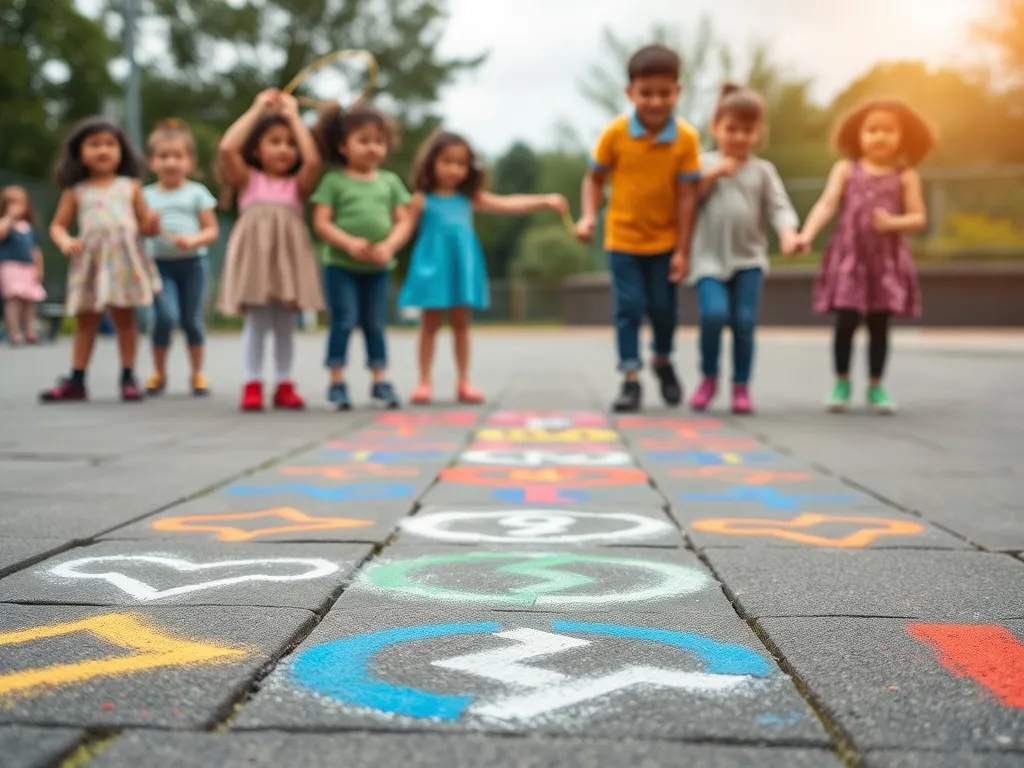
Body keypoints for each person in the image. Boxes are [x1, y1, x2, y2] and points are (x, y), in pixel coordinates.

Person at [396, 131, 568, 405]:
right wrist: (385, 248)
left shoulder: (469, 198)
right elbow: (403, 228)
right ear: (431, 162)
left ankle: (464, 380)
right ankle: (424, 381)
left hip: (462, 266)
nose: (454, 169)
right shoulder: (421, 199)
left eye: (461, 163)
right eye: (447, 161)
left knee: (461, 324)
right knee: (429, 324)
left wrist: (544, 200)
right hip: (432, 267)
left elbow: (508, 203)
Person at [575, 44, 700, 413]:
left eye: (664, 93)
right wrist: (588, 215)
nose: (656, 101)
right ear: (630, 93)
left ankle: (662, 359)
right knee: (628, 308)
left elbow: (687, 196)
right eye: (646, 93)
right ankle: (630, 377)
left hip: (664, 241)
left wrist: (683, 250)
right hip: (623, 239)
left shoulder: (686, 139)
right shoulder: (615, 133)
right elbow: (594, 179)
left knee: (663, 309)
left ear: (677, 91)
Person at [798, 97, 935, 414]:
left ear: (903, 136)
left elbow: (919, 217)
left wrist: (893, 223)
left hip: (885, 262)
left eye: (889, 130)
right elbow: (827, 204)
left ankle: (876, 385)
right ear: (857, 135)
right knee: (846, 320)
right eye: (872, 130)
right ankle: (841, 381)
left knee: (879, 324)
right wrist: (807, 234)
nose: (880, 136)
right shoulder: (846, 170)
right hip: (851, 259)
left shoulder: (906, 176)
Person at [688, 83, 801, 415]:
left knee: (744, 321)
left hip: (748, 259)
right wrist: (713, 176)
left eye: (747, 130)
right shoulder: (701, 164)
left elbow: (779, 207)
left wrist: (788, 234)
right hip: (708, 259)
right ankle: (709, 378)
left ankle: (741, 386)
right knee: (713, 315)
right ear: (716, 128)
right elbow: (686, 203)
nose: (739, 137)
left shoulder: (763, 171)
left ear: (758, 133)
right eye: (731, 129)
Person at [40, 117, 162, 403]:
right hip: (91, 263)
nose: (103, 150)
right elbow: (58, 226)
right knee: (86, 321)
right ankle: (77, 379)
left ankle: (128, 376)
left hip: (123, 263)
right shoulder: (76, 190)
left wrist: (153, 224)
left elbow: (146, 226)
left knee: (125, 319)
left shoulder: (131, 186)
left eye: (110, 144)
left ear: (121, 151)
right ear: (79, 152)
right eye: (94, 144)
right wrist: (65, 240)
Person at [217, 89, 324, 412]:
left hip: (287, 259)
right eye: (274, 141)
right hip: (256, 259)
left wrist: (293, 117)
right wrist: (256, 109)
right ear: (257, 149)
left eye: (290, 143)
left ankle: (284, 383)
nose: (284, 149)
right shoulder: (248, 179)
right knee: (257, 321)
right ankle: (252, 383)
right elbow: (227, 147)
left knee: (285, 324)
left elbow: (313, 160)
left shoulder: (297, 186)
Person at [311, 103, 410, 410]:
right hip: (341, 266)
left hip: (378, 268)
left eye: (379, 141)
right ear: (344, 146)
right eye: (363, 141)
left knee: (375, 322)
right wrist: (349, 243)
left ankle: (379, 379)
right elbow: (322, 222)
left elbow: (404, 220)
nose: (372, 148)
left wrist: (389, 246)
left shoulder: (390, 182)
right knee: (344, 320)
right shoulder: (334, 181)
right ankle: (337, 381)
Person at [143, 119, 219, 397]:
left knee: (192, 320)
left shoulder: (197, 193)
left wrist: (193, 240)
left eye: (178, 156)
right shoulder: (145, 196)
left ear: (189, 161)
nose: (171, 162)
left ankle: (197, 374)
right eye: (164, 156)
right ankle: (159, 373)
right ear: (152, 161)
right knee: (164, 317)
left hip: (192, 264)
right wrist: (149, 226)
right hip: (158, 265)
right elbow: (141, 231)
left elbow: (211, 230)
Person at [0, 186, 46, 346]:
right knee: (14, 299)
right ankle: (14, 333)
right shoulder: (5, 224)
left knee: (29, 300)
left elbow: (36, 250)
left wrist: (39, 268)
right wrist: (9, 217)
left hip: (28, 268)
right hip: (11, 267)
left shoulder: (30, 228)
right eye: (12, 202)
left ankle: (29, 331)